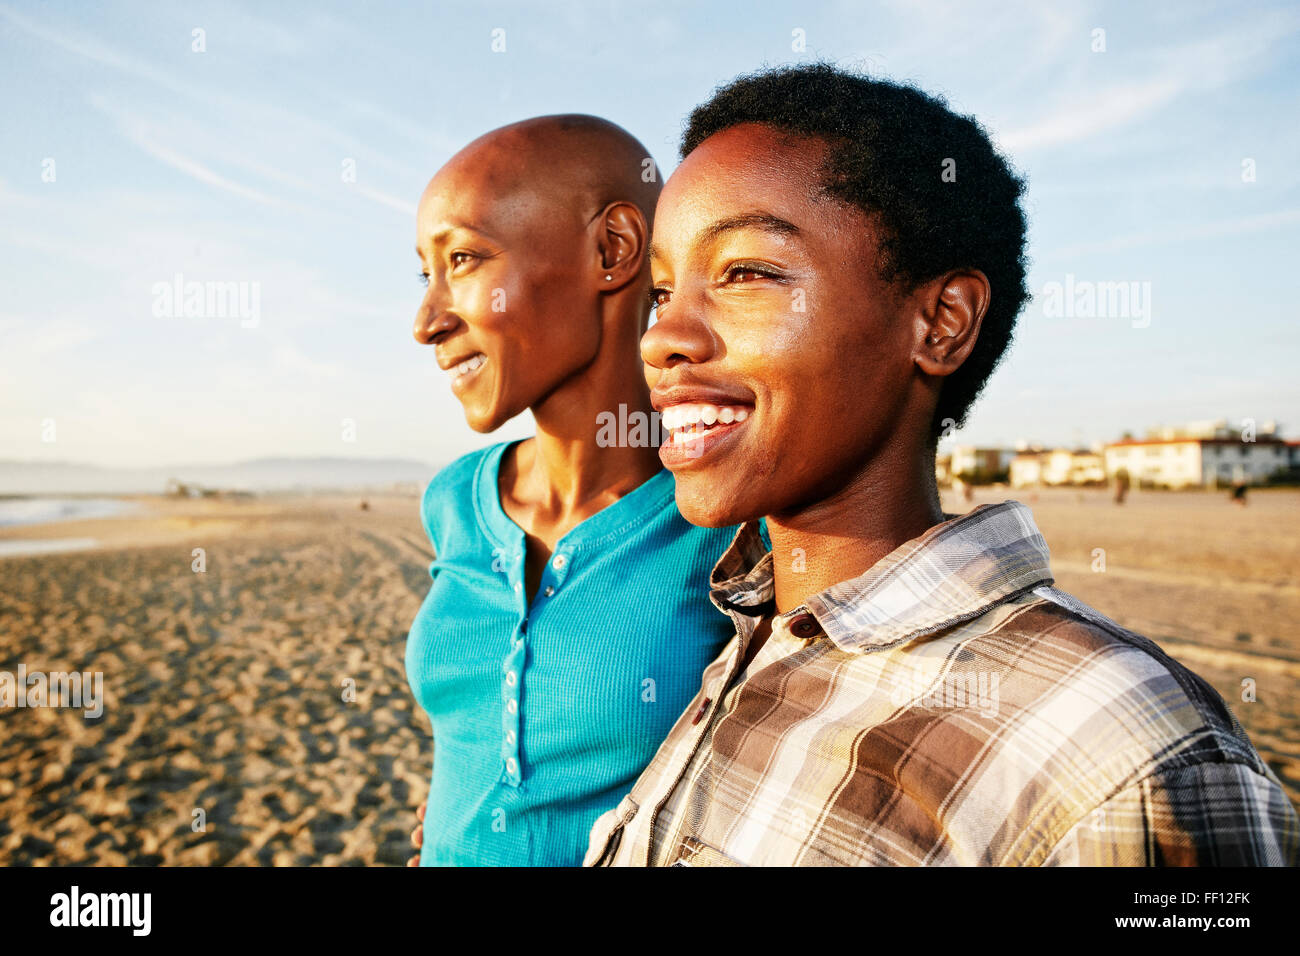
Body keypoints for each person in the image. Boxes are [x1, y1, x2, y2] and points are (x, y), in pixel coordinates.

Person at [585, 64, 1299, 866]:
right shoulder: (751, 635)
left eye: (746, 272)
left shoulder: (1117, 752)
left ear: (941, 323)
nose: (660, 338)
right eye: (660, 293)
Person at [406, 115, 738, 866]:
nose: (427, 321)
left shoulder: (723, 520)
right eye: (423, 273)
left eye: (463, 258)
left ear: (612, 249)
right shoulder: (455, 502)